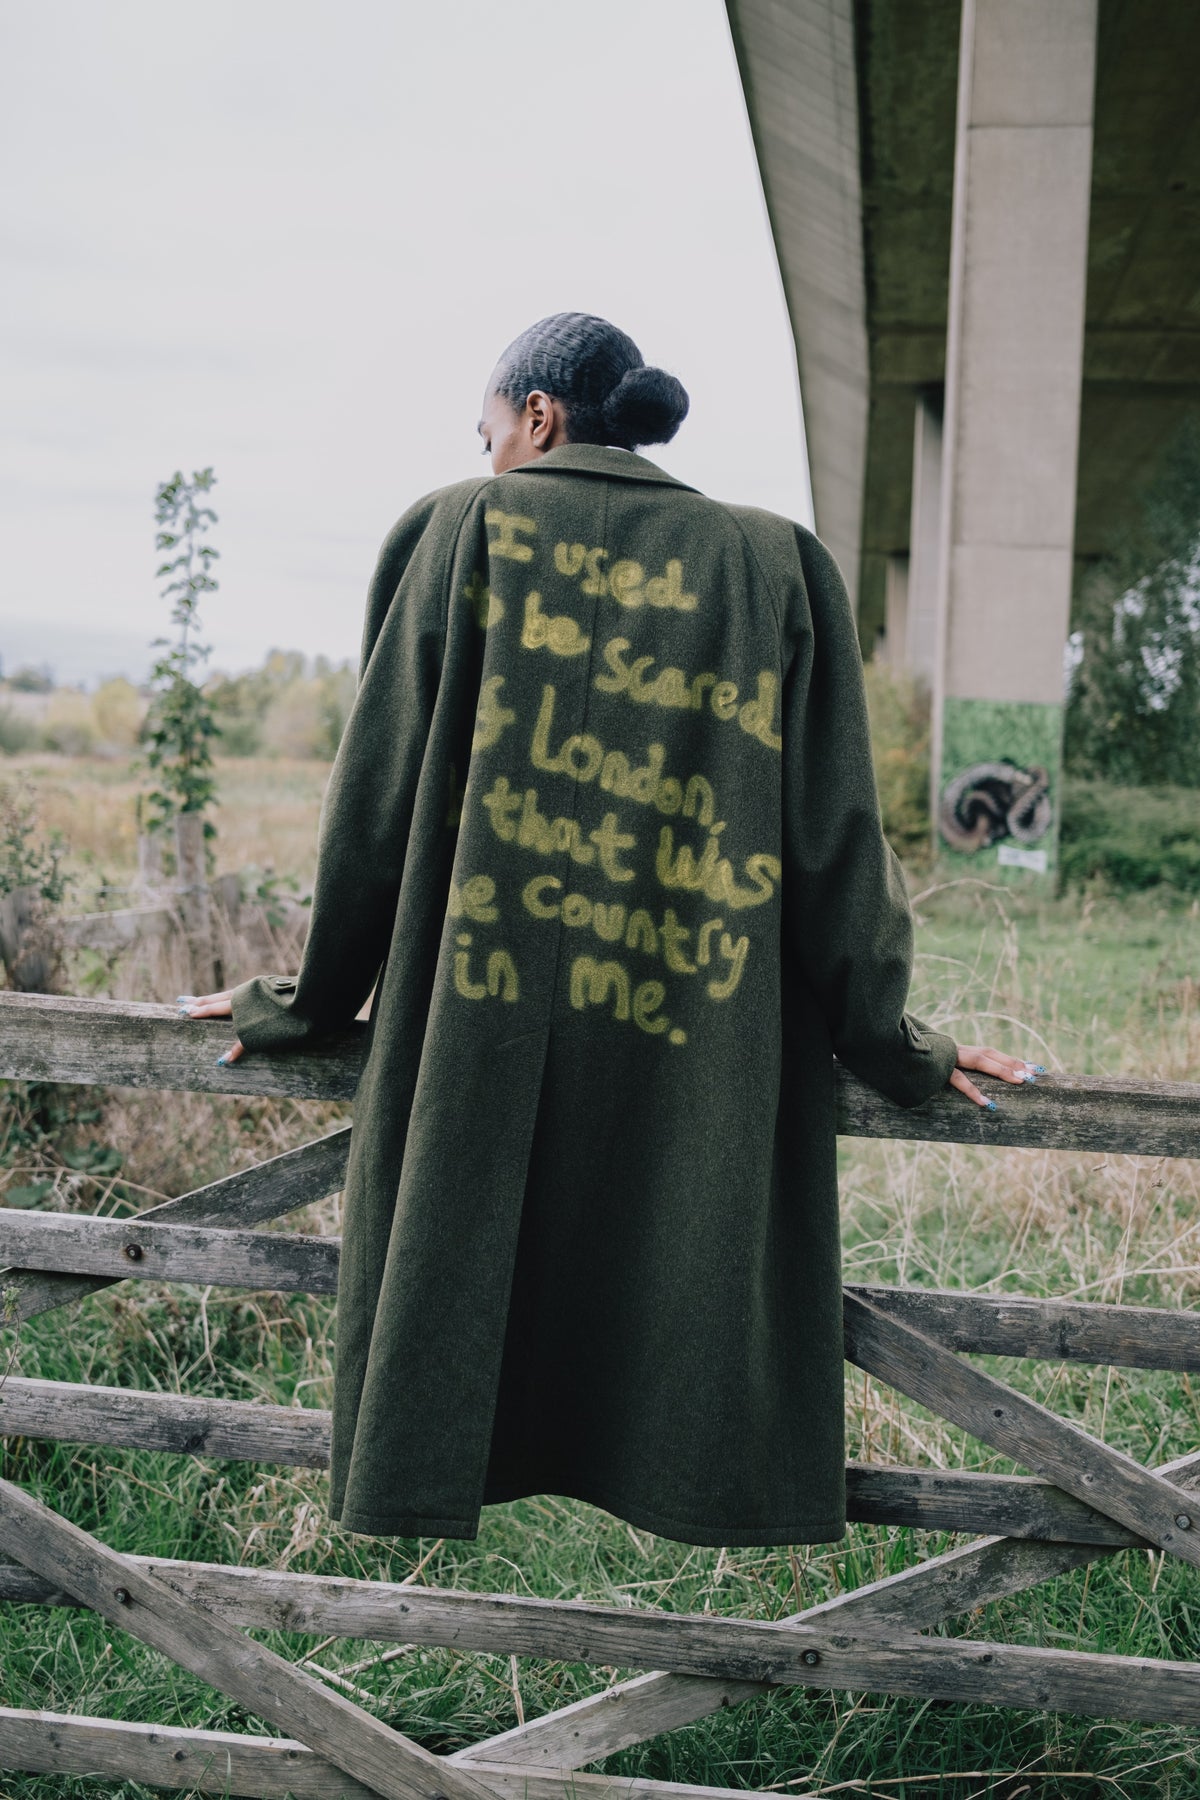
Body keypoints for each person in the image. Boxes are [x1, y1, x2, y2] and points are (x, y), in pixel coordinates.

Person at [180, 312, 1039, 1548]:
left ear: (537, 418)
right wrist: (900, 1046)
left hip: (473, 1052)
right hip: (696, 1079)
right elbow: (839, 842)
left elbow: (370, 808)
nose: (484, 458)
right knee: (674, 1301)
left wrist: (304, 1004)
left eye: (488, 433)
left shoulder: (462, 531)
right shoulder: (775, 564)